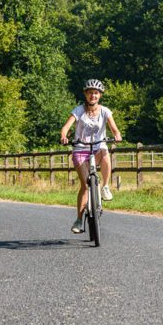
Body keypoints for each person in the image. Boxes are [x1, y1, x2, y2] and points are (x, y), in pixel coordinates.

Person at [60, 79, 122, 234]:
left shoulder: (105, 111)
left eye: (95, 93)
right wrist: (64, 136)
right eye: (90, 93)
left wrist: (117, 135)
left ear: (100, 95)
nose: (92, 96)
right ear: (85, 95)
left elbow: (115, 129)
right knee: (85, 185)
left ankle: (105, 186)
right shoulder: (78, 110)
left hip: (98, 146)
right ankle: (79, 220)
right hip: (80, 147)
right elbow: (66, 127)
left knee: (105, 151)